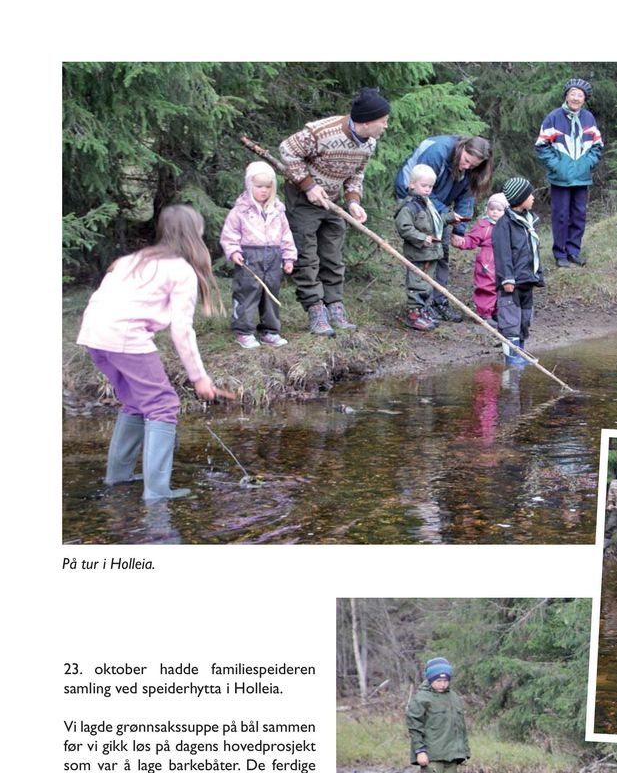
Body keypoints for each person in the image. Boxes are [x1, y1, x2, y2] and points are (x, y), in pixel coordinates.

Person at [76, 205, 219, 502]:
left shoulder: (131, 259)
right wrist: (199, 377)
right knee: (163, 405)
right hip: (124, 337)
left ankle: (118, 478)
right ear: (196, 235)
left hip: (93, 334)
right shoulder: (182, 270)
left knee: (134, 402)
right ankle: (157, 493)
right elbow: (182, 331)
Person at [279, 87, 390, 335]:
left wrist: (353, 201)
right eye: (383, 121)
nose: (386, 126)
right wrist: (308, 186)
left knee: (332, 255)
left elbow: (356, 173)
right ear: (368, 120)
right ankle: (315, 310)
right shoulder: (322, 132)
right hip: (303, 199)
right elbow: (287, 150)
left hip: (333, 201)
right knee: (306, 257)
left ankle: (334, 306)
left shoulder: (369, 143)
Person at [395, 135, 493, 323]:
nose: (467, 167)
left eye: (472, 166)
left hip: (438, 205)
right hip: (414, 201)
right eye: (466, 161)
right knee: (425, 255)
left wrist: (459, 229)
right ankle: (421, 306)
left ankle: (439, 301)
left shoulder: (472, 170)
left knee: (442, 252)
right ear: (462, 149)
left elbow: (467, 198)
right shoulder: (438, 152)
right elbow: (422, 189)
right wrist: (445, 215)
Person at [220, 161, 297, 349]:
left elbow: (286, 235)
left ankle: (270, 331)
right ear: (249, 186)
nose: (264, 191)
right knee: (247, 293)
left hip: (273, 257)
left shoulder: (278, 210)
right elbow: (229, 235)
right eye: (259, 186)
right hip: (249, 258)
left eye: (268, 187)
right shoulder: (240, 211)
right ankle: (243, 331)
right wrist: (234, 251)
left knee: (270, 293)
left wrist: (288, 257)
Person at [534, 76, 603, 266]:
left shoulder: (589, 118)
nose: (576, 98)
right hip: (560, 178)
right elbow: (541, 145)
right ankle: (560, 254)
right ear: (566, 96)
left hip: (582, 178)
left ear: (584, 99)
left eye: (580, 95)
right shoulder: (553, 117)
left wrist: (588, 163)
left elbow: (597, 146)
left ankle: (574, 251)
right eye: (572, 94)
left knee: (579, 215)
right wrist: (557, 165)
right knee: (561, 215)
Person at [405, 657, 470, 773]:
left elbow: (460, 728)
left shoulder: (454, 697)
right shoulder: (422, 698)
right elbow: (414, 727)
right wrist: (420, 751)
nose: (442, 684)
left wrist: (463, 752)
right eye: (438, 680)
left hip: (452, 755)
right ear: (430, 679)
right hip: (431, 755)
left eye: (445, 680)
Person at [491, 176, 544, 365]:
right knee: (510, 320)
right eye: (530, 195)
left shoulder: (529, 221)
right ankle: (511, 358)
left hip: (527, 280)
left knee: (524, 319)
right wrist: (507, 278)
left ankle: (520, 352)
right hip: (511, 283)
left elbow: (534, 250)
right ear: (519, 198)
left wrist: (538, 273)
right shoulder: (504, 225)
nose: (533, 198)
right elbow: (503, 254)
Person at [394, 164, 445, 331]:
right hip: (418, 253)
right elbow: (405, 228)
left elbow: (432, 223)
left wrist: (450, 218)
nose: (428, 189)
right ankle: (413, 314)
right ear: (412, 184)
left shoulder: (427, 204)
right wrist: (422, 238)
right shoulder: (409, 207)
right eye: (424, 186)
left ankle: (423, 311)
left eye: (430, 186)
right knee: (417, 283)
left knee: (427, 284)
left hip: (430, 253)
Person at [451, 192, 507, 324]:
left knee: (503, 285)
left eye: (499, 210)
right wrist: (462, 242)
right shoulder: (484, 226)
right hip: (487, 260)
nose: (494, 212)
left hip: (504, 260)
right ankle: (484, 313)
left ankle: (498, 311)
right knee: (486, 285)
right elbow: (472, 239)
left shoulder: (508, 226)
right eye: (491, 209)